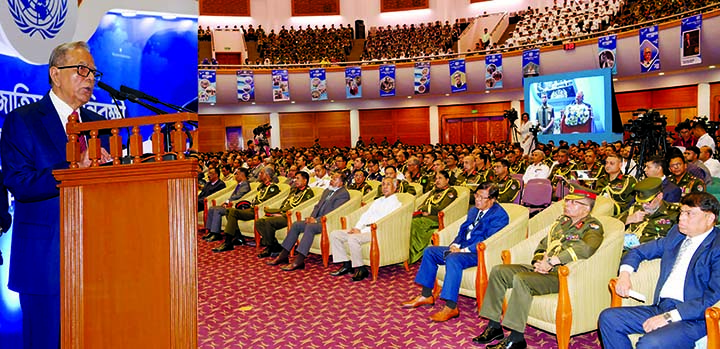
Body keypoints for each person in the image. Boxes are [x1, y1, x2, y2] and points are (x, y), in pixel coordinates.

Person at [0, 41, 108, 349]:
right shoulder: (23, 120)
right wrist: (73, 168)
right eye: (81, 70)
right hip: (43, 262)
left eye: (93, 73)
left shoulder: (101, 126)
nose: (89, 79)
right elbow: (18, 182)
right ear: (55, 74)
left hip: (96, 260)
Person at [473, 185, 604, 349]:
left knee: (522, 280)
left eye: (572, 203)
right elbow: (543, 243)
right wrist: (538, 261)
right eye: (567, 201)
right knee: (499, 271)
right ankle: (494, 327)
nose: (566, 204)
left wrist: (552, 262)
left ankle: (516, 338)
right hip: (543, 269)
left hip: (562, 276)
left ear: (585, 209)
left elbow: (586, 248)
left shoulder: (593, 226)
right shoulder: (562, 222)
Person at [599, 192, 720, 348]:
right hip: (661, 306)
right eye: (682, 212)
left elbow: (713, 296)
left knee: (650, 343)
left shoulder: (716, 246)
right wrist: (624, 275)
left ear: (710, 218)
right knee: (609, 318)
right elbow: (638, 251)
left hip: (694, 318)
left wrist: (669, 317)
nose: (681, 218)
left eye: (689, 214)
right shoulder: (677, 234)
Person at [403, 183, 509, 322]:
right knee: (430, 251)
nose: (477, 200)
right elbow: (463, 231)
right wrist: (455, 244)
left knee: (453, 259)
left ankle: (451, 306)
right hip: (461, 249)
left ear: (493, 199)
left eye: (482, 198)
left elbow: (489, 240)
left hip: (479, 253)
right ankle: (426, 295)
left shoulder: (500, 216)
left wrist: (463, 250)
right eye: (476, 195)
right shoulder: (474, 210)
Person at [266, 172, 350, 270]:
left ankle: (299, 260)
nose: (331, 180)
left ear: (341, 183)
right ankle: (283, 255)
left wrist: (316, 220)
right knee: (296, 225)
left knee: (310, 227)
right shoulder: (327, 190)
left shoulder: (343, 194)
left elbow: (334, 212)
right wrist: (312, 218)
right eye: (332, 178)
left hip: (328, 222)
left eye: (335, 179)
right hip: (316, 220)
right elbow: (317, 206)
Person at [328, 178, 403, 281]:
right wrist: (357, 228)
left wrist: (361, 231)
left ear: (395, 188)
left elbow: (383, 222)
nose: (385, 187)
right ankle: (346, 265)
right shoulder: (378, 201)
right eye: (383, 184)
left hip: (376, 232)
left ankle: (361, 269)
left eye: (388, 185)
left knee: (353, 238)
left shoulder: (396, 204)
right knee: (335, 234)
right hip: (363, 229)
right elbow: (365, 215)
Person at [250, 172, 315, 255]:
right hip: (283, 213)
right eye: (295, 178)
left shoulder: (308, 193)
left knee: (267, 222)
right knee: (259, 222)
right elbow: (285, 204)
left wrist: (282, 214)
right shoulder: (294, 191)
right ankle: (274, 245)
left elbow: (300, 207)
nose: (295, 180)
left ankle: (270, 247)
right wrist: (278, 212)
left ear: (305, 180)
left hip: (290, 217)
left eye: (298, 178)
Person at [220, 167, 281, 245]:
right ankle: (238, 237)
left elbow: (266, 201)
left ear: (267, 175)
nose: (259, 174)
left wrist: (254, 206)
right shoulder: (262, 187)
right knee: (228, 210)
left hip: (258, 210)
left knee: (232, 211)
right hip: (251, 208)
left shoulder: (272, 188)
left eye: (261, 173)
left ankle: (228, 242)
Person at [617, 177, 680, 250]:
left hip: (651, 255)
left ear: (659, 196)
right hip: (624, 249)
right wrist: (628, 219)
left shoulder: (674, 213)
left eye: (648, 202)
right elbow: (608, 223)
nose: (644, 205)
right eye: (641, 202)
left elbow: (674, 243)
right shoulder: (636, 208)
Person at [409, 171, 458, 264]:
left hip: (436, 218)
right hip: (426, 216)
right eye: (436, 178)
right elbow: (423, 204)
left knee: (414, 223)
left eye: (440, 178)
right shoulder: (434, 191)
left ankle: (413, 255)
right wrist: (423, 210)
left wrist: (427, 210)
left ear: (447, 180)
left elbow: (442, 208)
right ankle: (406, 253)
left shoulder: (450, 192)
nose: (437, 181)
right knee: (409, 221)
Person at [202, 168, 251, 243]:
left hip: (235, 206)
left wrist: (228, 202)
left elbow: (239, 196)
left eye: (237, 174)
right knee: (212, 208)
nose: (235, 176)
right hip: (230, 204)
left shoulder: (245, 185)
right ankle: (211, 231)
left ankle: (216, 233)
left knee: (217, 210)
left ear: (242, 175)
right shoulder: (240, 184)